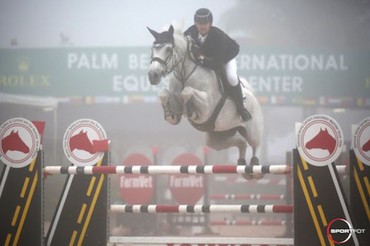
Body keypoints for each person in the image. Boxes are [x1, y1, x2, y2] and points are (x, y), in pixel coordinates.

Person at [184, 8, 251, 122]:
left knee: (232, 77)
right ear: (195, 23)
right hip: (206, 58)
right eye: (199, 23)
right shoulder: (190, 32)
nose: (202, 26)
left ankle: (242, 109)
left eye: (205, 23)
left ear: (210, 23)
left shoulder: (218, 36)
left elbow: (217, 63)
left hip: (226, 56)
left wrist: (200, 58)